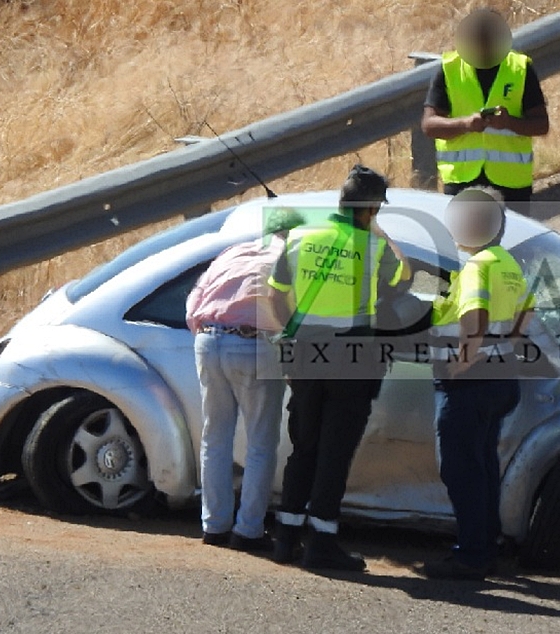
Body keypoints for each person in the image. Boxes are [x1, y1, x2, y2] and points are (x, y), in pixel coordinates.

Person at [268, 164, 408, 571]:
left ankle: (286, 539)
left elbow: (275, 295)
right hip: (351, 357)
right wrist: (377, 231)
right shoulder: (375, 249)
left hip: (305, 351)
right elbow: (403, 278)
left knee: (304, 447)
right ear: (371, 209)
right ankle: (322, 543)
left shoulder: (299, 237)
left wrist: (289, 333)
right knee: (335, 452)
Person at [423, 187, 535, 580]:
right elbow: (527, 313)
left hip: (469, 383)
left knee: (460, 469)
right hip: (502, 377)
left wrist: (462, 363)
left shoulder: (476, 267)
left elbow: (475, 318)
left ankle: (472, 554)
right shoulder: (507, 263)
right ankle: (487, 544)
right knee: (483, 464)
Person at [186, 207, 305, 552]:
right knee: (260, 443)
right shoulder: (291, 256)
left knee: (215, 437)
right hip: (254, 342)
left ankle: (214, 525)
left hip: (208, 339)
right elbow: (293, 307)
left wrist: (207, 333)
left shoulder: (233, 251)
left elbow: (194, 299)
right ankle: (249, 530)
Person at [422, 8, 550, 216]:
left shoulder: (520, 69)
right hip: (463, 182)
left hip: (511, 184)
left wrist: (509, 123)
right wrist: (466, 124)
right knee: (465, 246)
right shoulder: (449, 69)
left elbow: (541, 124)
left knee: (514, 246)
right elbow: (429, 125)